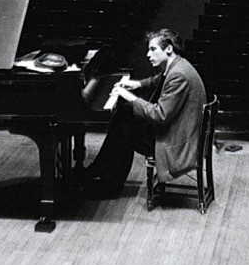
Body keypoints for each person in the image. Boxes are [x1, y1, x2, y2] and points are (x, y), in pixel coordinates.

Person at [83, 29, 207, 199]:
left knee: (125, 129)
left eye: (153, 49)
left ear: (169, 49)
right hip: (178, 132)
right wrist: (138, 85)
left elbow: (160, 115)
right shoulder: (178, 64)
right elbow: (159, 79)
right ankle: (102, 176)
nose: (148, 54)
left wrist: (131, 98)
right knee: (125, 117)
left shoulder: (178, 75)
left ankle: (104, 181)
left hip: (177, 142)